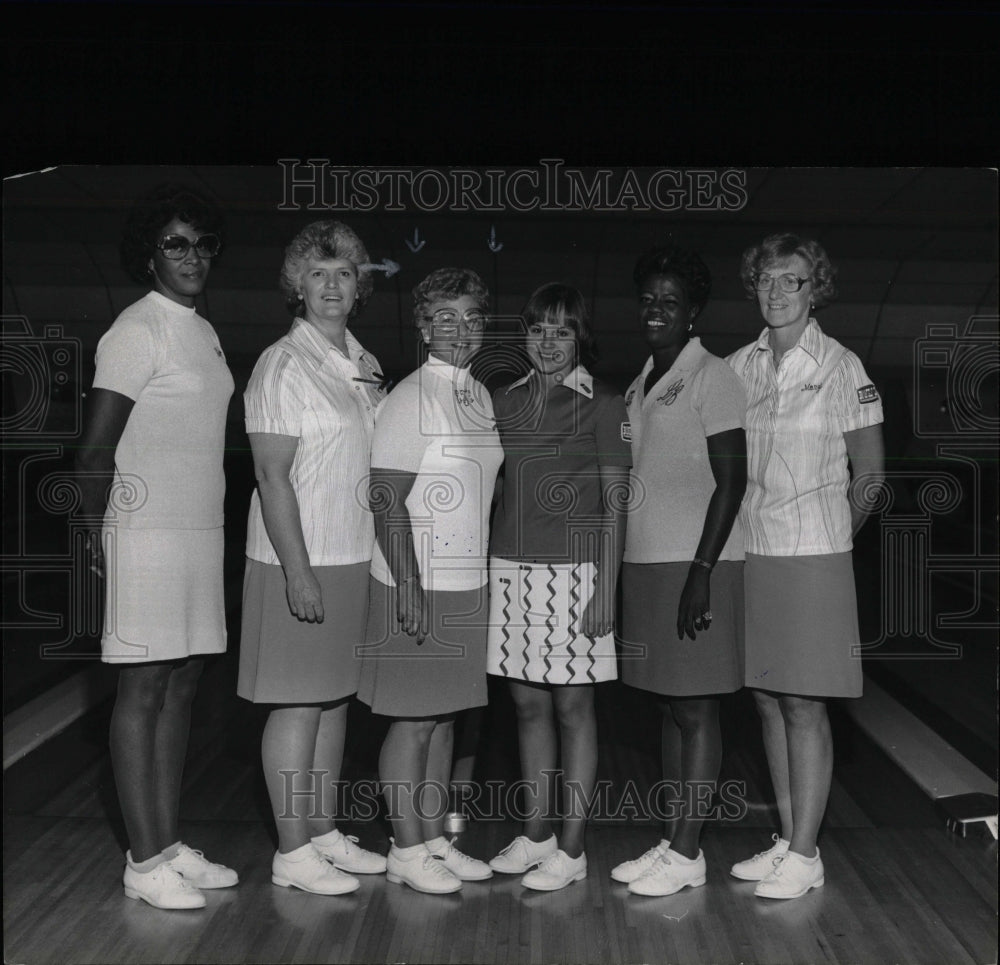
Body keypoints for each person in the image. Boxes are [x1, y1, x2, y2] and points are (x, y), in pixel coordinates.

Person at [76, 184, 237, 909]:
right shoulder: (135, 329)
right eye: (176, 243)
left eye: (202, 244)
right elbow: (93, 452)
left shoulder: (199, 328)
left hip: (197, 534)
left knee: (182, 685)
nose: (192, 256)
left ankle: (166, 841)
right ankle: (143, 861)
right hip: (145, 535)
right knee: (143, 687)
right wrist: (93, 538)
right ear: (149, 254)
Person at [726, 233, 885, 900]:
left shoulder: (843, 366)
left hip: (814, 554)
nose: (776, 292)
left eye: (791, 280)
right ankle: (790, 841)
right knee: (766, 698)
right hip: (754, 551)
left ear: (814, 287)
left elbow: (872, 476)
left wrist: (832, 540)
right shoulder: (739, 366)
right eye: (766, 279)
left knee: (803, 702)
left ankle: (806, 850)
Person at [238, 220, 388, 896]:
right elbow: (272, 477)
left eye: (344, 273)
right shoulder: (281, 364)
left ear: (359, 288)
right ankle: (292, 850)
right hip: (296, 558)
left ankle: (323, 830)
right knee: (298, 704)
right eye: (318, 273)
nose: (332, 285)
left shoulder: (364, 361)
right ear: (296, 285)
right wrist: (297, 569)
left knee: (334, 703)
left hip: (352, 555)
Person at [358, 267, 503, 894]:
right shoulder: (411, 396)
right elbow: (386, 499)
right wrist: (409, 584)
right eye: (446, 317)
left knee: (446, 718)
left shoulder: (479, 395)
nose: (461, 329)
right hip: (414, 578)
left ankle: (435, 838)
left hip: (467, 579)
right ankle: (405, 847)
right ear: (422, 326)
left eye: (472, 317)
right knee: (412, 721)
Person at [486, 283, 632, 892]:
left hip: (577, 575)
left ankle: (572, 846)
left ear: (580, 338)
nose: (549, 342)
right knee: (526, 705)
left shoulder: (604, 402)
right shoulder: (500, 400)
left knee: (573, 706)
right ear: (524, 335)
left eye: (562, 330)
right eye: (539, 329)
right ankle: (538, 832)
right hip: (510, 571)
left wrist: (606, 586)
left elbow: (617, 504)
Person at [611, 245, 748, 896]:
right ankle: (673, 841)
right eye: (648, 298)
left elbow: (732, 480)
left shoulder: (711, 375)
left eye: (669, 300)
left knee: (695, 709)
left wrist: (702, 570)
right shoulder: (644, 377)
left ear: (693, 311)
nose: (655, 309)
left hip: (696, 563)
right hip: (649, 563)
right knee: (670, 708)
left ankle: (688, 851)